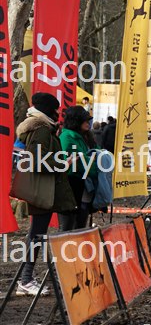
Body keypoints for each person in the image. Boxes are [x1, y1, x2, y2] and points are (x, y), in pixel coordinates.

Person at [14, 93, 76, 296]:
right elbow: (36, 161)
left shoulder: (42, 128)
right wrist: (62, 164)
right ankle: (25, 280)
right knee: (36, 235)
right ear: (48, 110)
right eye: (55, 109)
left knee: (36, 234)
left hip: (44, 190)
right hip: (43, 191)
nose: (58, 112)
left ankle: (26, 278)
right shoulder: (41, 130)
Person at [59, 106, 98, 230]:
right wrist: (99, 167)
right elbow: (81, 161)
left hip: (83, 186)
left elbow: (96, 153)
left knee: (80, 224)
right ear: (76, 121)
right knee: (68, 226)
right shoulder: (67, 137)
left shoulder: (86, 136)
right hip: (71, 185)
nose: (88, 123)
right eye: (85, 120)